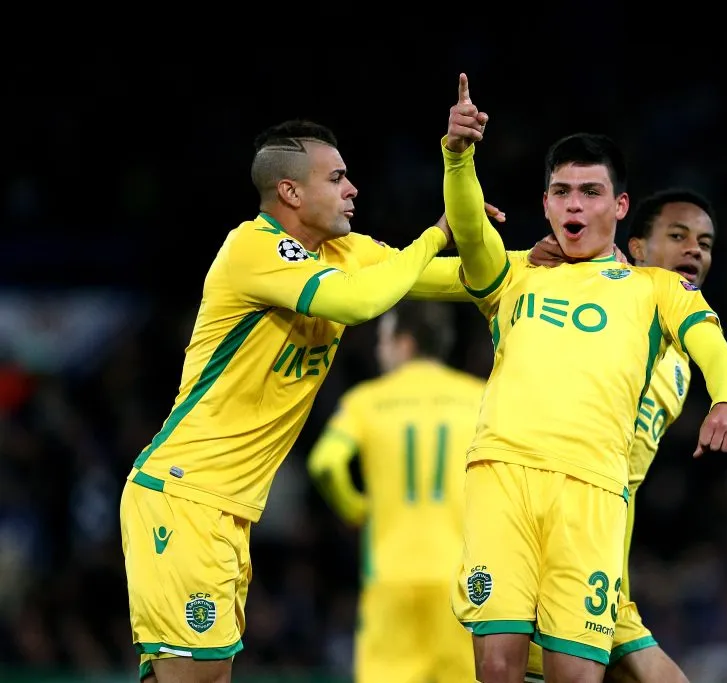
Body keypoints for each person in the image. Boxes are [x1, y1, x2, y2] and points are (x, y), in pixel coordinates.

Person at [119, 118, 502, 683]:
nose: (353, 189)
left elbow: (449, 280)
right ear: (291, 192)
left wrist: (544, 266)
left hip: (229, 506)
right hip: (185, 492)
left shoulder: (344, 252)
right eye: (338, 177)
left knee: (202, 676)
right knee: (195, 678)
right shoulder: (250, 249)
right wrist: (434, 234)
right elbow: (359, 303)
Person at [441, 73, 727, 683]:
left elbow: (713, 345)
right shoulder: (515, 275)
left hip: (594, 492)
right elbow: (471, 234)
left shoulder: (655, 289)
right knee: (497, 666)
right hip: (502, 474)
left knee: (576, 674)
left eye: (589, 191)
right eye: (561, 192)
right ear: (547, 202)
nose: (574, 204)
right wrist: (458, 156)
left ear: (619, 205)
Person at [523, 188, 718, 682]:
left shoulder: (682, 357)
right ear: (635, 248)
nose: (695, 249)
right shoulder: (602, 309)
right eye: (677, 235)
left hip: (608, 555)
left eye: (705, 242)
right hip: (556, 542)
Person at [307, 300, 483, 683]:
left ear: (405, 343)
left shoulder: (365, 402)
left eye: (383, 339)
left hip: (390, 575)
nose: (377, 349)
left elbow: (324, 463)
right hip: (463, 580)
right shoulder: (481, 398)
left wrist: (355, 508)